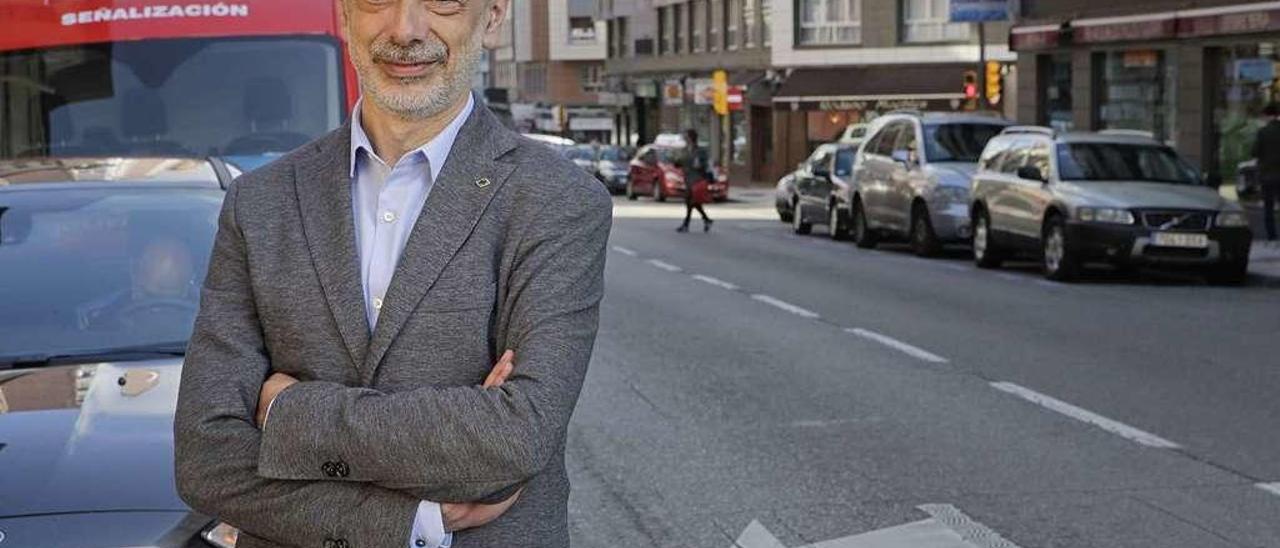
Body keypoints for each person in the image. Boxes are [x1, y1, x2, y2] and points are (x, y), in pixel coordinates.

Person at [172, 0, 612, 547]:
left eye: (443, 2)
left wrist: (289, 412)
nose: (406, 30)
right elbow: (205, 459)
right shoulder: (260, 202)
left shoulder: (559, 200)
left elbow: (518, 439)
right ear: (343, 15)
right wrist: (416, 521)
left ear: (494, 17)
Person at [676, 128, 714, 232]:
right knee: (693, 202)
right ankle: (706, 220)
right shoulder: (685, 150)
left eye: (686, 136)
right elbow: (679, 162)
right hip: (688, 178)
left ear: (691, 137)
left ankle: (686, 224)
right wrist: (676, 161)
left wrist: (700, 164)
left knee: (690, 201)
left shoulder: (700, 150)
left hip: (697, 179)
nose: (684, 138)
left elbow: (705, 164)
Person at [1252, 102, 1280, 241]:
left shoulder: (1262, 132)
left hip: (1267, 175)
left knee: (1268, 208)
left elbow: (1255, 152)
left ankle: (1272, 236)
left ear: (1267, 116)